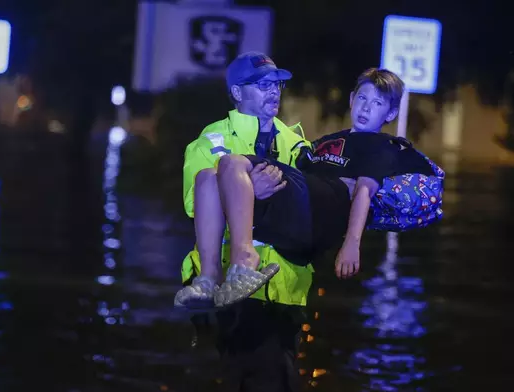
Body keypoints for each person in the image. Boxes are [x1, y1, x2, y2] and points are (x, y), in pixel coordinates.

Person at [176, 68, 439, 309]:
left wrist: (351, 244)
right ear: (351, 99)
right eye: (362, 98)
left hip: (319, 211)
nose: (366, 108)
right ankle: (208, 280)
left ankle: (244, 260)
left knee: (231, 162)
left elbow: (363, 192)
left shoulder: (381, 147)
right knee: (207, 177)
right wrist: (251, 188)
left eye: (378, 103)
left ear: (391, 114)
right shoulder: (327, 141)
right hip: (297, 205)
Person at [176, 51, 315, 392]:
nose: (274, 92)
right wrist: (251, 187)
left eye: (277, 84)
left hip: (285, 290)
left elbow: (309, 208)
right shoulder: (211, 140)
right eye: (263, 85)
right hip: (229, 287)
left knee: (258, 376)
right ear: (237, 93)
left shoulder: (297, 144)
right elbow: (195, 203)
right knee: (266, 376)